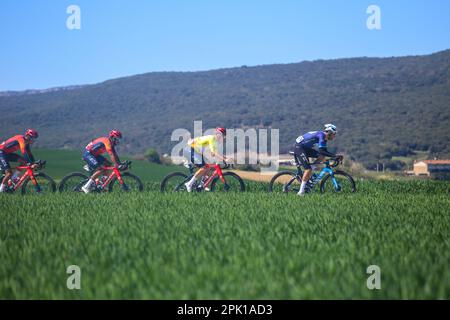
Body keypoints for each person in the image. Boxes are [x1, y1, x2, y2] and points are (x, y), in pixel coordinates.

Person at [292, 124, 343, 196]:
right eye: (334, 134)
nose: (334, 136)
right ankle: (301, 192)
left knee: (321, 156)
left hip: (304, 147)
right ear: (329, 133)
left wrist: (334, 156)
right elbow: (322, 151)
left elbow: (323, 152)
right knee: (308, 169)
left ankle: (309, 172)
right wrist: (335, 156)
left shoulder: (324, 137)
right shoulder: (321, 136)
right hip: (299, 147)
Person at [184, 127, 229, 192]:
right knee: (204, 167)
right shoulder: (212, 138)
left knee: (208, 166)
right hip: (190, 149)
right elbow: (214, 153)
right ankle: (189, 184)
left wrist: (225, 158)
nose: (223, 137)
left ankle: (202, 185)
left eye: (224, 136)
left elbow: (215, 153)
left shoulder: (215, 141)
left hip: (195, 151)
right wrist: (224, 159)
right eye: (222, 135)